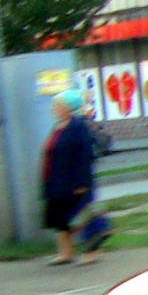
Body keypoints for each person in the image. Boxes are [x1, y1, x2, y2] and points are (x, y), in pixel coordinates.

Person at [42, 90, 97, 265]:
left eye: (57, 105)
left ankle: (91, 252)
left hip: (74, 180)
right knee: (60, 217)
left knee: (82, 216)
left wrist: (82, 182)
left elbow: (85, 154)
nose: (53, 109)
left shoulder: (78, 126)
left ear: (68, 108)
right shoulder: (57, 127)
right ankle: (66, 253)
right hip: (56, 179)